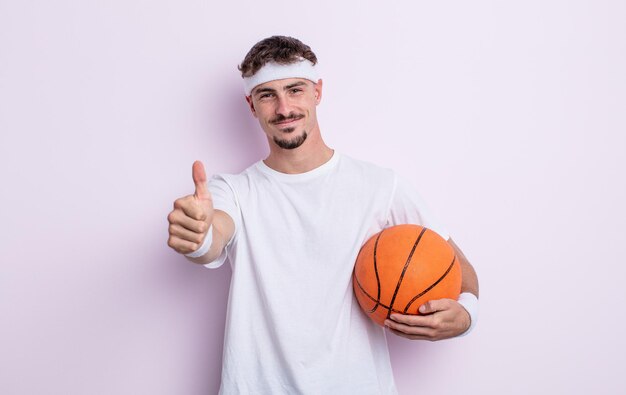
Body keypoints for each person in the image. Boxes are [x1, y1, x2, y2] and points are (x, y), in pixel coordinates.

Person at [167, 35, 480, 395]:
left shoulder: (380, 185)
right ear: (251, 106)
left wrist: (467, 315)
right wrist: (198, 234)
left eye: (295, 89)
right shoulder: (234, 191)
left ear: (317, 92)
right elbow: (213, 235)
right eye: (267, 95)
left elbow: (462, 272)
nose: (284, 108)